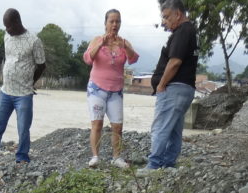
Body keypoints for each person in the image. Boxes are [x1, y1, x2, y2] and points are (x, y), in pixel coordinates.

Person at [0, 9, 46, 164]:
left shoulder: (34, 41)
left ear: (17, 23)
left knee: (23, 128)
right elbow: (10, 58)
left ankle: (22, 157)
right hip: (5, 91)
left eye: (8, 26)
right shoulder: (6, 36)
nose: (6, 30)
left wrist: (31, 82)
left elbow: (41, 65)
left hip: (23, 93)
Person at [145, 0, 198, 170]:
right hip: (185, 88)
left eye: (167, 17)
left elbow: (174, 62)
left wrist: (161, 84)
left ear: (178, 14)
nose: (164, 22)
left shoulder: (183, 31)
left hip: (174, 87)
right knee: (174, 129)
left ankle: (154, 165)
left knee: (160, 126)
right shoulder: (190, 30)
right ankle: (168, 163)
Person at [82, 9, 139, 168]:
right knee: (97, 124)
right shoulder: (97, 40)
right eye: (111, 21)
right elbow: (87, 59)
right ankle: (95, 156)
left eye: (118, 21)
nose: (115, 24)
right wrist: (100, 44)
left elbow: (134, 59)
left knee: (117, 125)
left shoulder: (124, 42)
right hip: (97, 89)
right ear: (105, 23)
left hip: (116, 91)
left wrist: (125, 47)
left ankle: (116, 157)